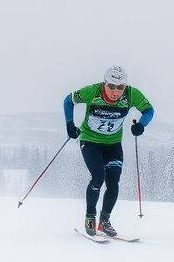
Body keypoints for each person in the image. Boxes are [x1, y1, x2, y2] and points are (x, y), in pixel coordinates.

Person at [64, 65, 154, 237]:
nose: (115, 91)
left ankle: (104, 221)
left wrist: (142, 125)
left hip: (113, 143)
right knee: (98, 176)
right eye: (111, 86)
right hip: (90, 141)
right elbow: (68, 101)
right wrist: (69, 124)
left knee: (113, 182)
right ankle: (90, 216)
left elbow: (149, 110)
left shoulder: (131, 95)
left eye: (120, 87)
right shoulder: (92, 91)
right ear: (104, 83)